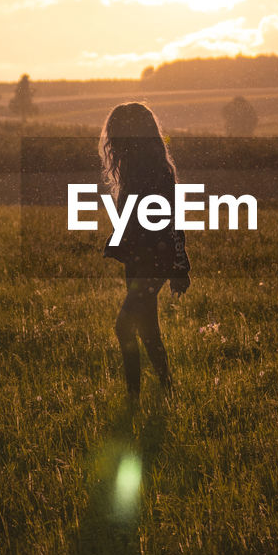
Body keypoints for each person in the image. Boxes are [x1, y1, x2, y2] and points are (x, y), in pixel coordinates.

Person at [99, 102, 191, 401]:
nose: (113, 141)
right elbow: (132, 216)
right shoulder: (133, 169)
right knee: (147, 330)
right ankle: (166, 390)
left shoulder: (158, 171)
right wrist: (117, 241)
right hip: (138, 259)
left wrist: (179, 268)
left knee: (124, 326)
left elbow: (173, 219)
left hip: (155, 261)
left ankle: (134, 395)